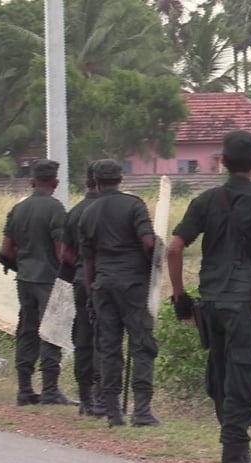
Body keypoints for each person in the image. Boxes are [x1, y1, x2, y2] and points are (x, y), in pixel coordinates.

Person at [166, 130, 251, 463]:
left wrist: (180, 298)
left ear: (222, 162)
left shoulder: (206, 201)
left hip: (210, 304)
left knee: (222, 377)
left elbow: (174, 249)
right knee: (245, 380)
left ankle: (242, 458)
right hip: (243, 305)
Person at [78, 159, 160, 427]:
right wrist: (154, 260)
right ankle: (142, 411)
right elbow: (149, 243)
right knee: (142, 345)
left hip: (102, 286)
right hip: (134, 286)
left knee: (109, 348)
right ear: (120, 178)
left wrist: (92, 294)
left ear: (96, 181)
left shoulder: (87, 213)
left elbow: (88, 262)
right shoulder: (134, 205)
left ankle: (113, 412)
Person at [0, 159, 74, 406]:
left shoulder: (17, 209)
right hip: (48, 279)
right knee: (51, 332)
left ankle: (24, 390)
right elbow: (61, 251)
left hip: (24, 279)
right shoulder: (55, 209)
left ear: (32, 182)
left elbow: (7, 250)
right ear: (55, 182)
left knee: (26, 331)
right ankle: (50, 390)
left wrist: (23, 266)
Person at [58, 161, 104, 416]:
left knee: (83, 338)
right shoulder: (112, 209)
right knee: (105, 339)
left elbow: (64, 254)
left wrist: (78, 266)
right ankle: (101, 395)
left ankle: (86, 399)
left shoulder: (75, 212)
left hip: (79, 283)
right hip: (105, 283)